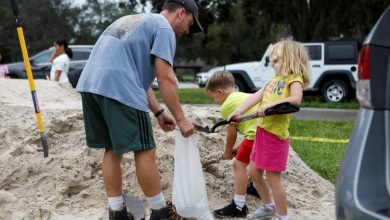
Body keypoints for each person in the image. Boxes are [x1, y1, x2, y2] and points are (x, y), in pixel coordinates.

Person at [76, 0, 202, 219]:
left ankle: (116, 212)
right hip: (119, 88)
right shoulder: (164, 28)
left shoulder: (132, 20)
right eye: (189, 25)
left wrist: (159, 111)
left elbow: (134, 73)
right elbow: (165, 79)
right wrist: (182, 120)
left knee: (112, 149)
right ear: (181, 13)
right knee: (145, 149)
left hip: (91, 86)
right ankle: (160, 211)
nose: (185, 32)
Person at [231, 40, 310, 220]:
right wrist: (238, 111)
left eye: (277, 59)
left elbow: (295, 100)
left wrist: (269, 107)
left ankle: (282, 216)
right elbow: (256, 96)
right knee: (253, 172)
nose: (273, 63)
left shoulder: (294, 79)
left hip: (276, 137)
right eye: (272, 60)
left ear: (290, 59)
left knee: (273, 179)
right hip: (262, 133)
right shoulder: (273, 81)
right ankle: (268, 206)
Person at [205, 71, 259, 218]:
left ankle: (238, 205)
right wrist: (239, 148)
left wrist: (228, 152)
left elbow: (232, 133)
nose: (214, 101)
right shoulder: (244, 96)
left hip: (256, 135)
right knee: (255, 160)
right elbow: (252, 125)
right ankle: (256, 188)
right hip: (266, 133)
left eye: (213, 98)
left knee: (238, 163)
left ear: (220, 92)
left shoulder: (227, 106)